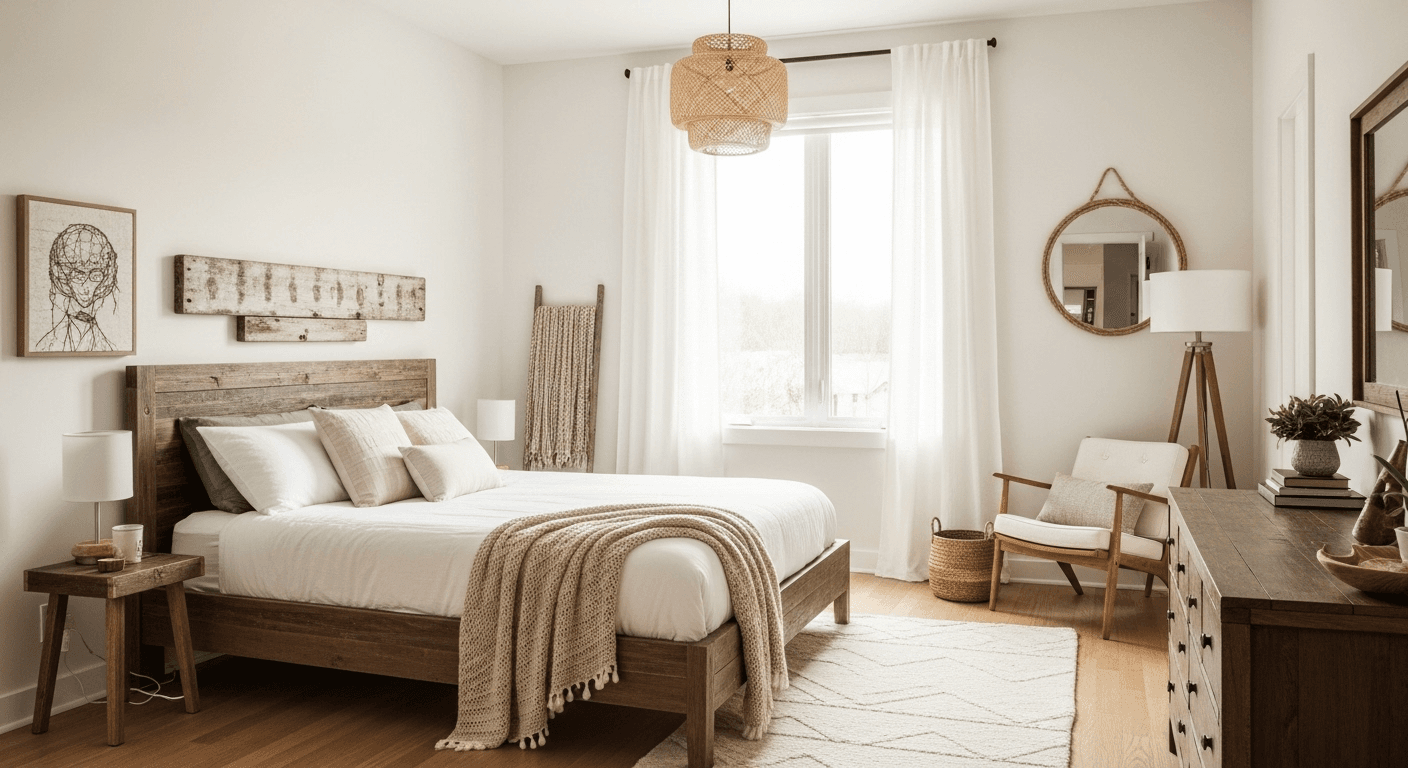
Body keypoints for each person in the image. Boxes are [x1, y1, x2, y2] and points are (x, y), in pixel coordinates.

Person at [35, 223, 120, 352]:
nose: (86, 286)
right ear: (60, 272)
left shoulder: (108, 346)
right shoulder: (46, 345)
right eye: (78, 276)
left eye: (95, 276)